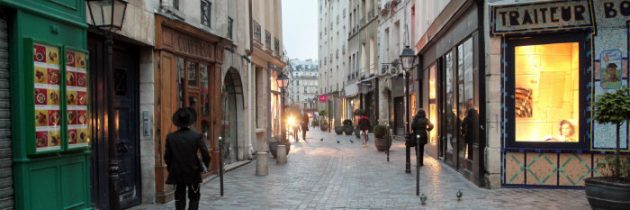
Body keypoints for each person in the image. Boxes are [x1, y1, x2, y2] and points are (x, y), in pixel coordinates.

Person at [164, 107, 211, 210]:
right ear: (190, 121)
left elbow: (167, 157)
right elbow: (205, 154)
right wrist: (204, 167)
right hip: (193, 171)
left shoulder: (171, 137)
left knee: (179, 198)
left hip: (177, 171)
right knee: (194, 197)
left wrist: (171, 168)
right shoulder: (197, 136)